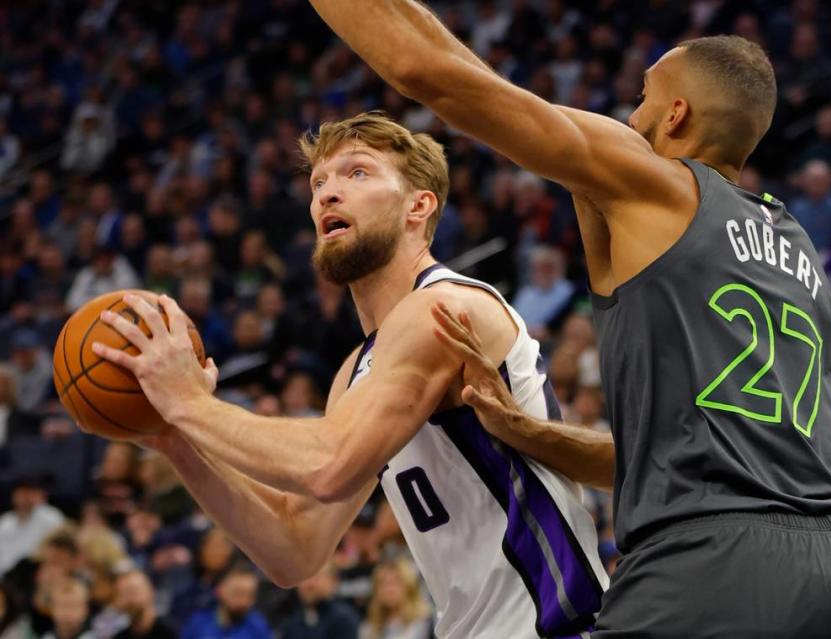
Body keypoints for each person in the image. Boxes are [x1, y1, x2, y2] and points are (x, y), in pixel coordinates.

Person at [298, 4, 831, 634]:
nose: (630, 115)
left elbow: (436, 74)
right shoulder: (800, 257)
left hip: (710, 565)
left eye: (643, 97)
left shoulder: (654, 182)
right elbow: (659, 456)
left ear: (675, 114)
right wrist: (525, 430)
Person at [92, 113, 607, 639]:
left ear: (418, 205)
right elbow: (293, 550)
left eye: (356, 173)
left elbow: (328, 463)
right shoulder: (356, 372)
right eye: (318, 183)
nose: (327, 195)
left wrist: (190, 404)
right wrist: (179, 440)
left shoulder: (444, 307)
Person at [180, 567, 270, 639]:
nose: (243, 601)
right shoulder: (198, 623)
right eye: (237, 593)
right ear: (220, 591)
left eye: (249, 595)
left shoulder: (258, 626)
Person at [278, 563, 359, 639]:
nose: (308, 584)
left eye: (315, 577)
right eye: (302, 578)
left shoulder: (343, 620)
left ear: (333, 581)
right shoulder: (292, 621)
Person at [359, 558, 431, 639]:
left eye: (395, 583)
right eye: (383, 584)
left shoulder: (424, 621)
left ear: (409, 586)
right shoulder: (369, 628)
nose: (389, 589)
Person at [112, 570, 175, 639]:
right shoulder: (120, 636)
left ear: (151, 591)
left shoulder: (171, 632)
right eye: (122, 594)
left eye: (132, 592)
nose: (128, 600)